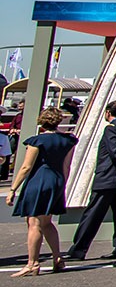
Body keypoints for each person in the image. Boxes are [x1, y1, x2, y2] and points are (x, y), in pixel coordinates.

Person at [5, 107, 74, 275]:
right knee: (47, 222)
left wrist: (13, 189)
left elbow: (26, 167)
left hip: (39, 180)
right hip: (56, 180)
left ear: (42, 122)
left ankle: (32, 263)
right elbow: (66, 166)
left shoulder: (36, 141)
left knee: (34, 223)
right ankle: (57, 258)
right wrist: (62, 184)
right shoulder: (68, 140)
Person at [67, 99, 116, 262]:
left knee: (93, 214)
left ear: (108, 113)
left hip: (106, 178)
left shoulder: (111, 129)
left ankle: (79, 249)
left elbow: (114, 152)